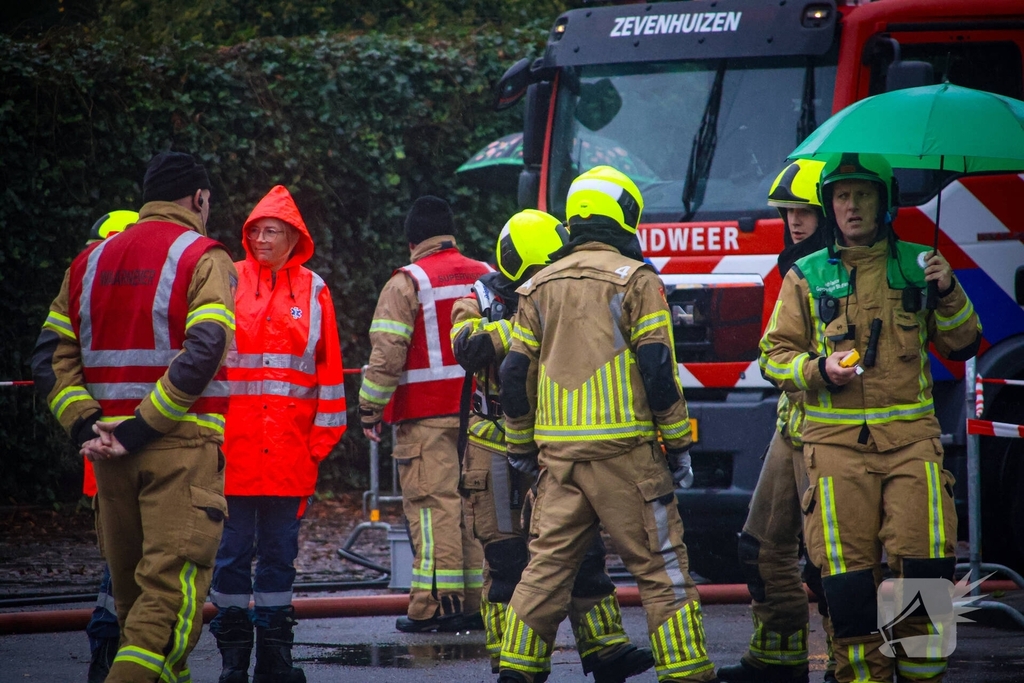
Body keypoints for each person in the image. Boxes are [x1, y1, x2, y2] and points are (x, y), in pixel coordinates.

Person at [759, 152, 981, 683]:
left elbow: (963, 343)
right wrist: (818, 369)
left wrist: (947, 290)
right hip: (835, 448)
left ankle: (921, 671)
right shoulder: (806, 275)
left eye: (863, 194)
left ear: (885, 203)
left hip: (912, 445)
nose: (852, 206)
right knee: (848, 580)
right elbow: (772, 357)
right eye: (842, 196)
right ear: (830, 206)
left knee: (924, 564)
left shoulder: (920, 265)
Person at [497, 166, 717, 683]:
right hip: (627, 458)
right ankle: (686, 672)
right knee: (661, 570)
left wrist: (521, 446)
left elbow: (513, 374)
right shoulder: (637, 280)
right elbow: (658, 368)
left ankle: (516, 670)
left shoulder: (537, 286)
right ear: (625, 215)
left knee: (545, 571)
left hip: (559, 462)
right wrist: (678, 443)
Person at [32, 150, 236, 683]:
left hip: (108, 458)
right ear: (198, 198)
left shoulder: (88, 262)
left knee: (132, 607)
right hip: (180, 450)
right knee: (165, 608)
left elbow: (50, 359)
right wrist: (141, 427)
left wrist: (87, 425)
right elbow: (206, 347)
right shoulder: (204, 256)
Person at [451, 209, 655, 682]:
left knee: (581, 548)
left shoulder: (559, 291)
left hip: (548, 441)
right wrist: (524, 324)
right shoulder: (478, 297)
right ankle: (512, 660)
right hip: (493, 446)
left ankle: (606, 649)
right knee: (506, 559)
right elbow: (468, 348)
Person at [209, 185, 347, 683]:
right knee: (230, 556)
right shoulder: (227, 280)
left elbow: (330, 375)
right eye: (256, 231)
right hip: (232, 453)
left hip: (289, 454)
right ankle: (232, 661)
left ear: (294, 238)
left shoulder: (314, 290)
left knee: (279, 558)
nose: (261, 239)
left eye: (272, 231)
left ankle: (274, 659)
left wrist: (317, 448)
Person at [718, 160, 835, 683]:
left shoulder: (856, 272)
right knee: (761, 547)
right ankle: (779, 659)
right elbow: (776, 355)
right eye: (788, 212)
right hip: (794, 428)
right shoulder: (797, 271)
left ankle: (856, 663)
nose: (794, 221)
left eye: (804, 211)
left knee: (837, 565)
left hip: (842, 436)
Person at [358, 195, 489, 632]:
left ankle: (435, 606)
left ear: (412, 241)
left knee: (434, 510)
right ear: (451, 233)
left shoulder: (407, 282)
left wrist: (370, 409)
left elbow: (387, 354)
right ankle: (477, 603)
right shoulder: (485, 275)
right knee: (474, 507)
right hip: (481, 416)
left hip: (425, 418)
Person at [79, 209, 140, 683]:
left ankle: (110, 651)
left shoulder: (86, 293)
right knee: (126, 563)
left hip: (104, 456)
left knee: (119, 560)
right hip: (137, 453)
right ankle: (115, 651)